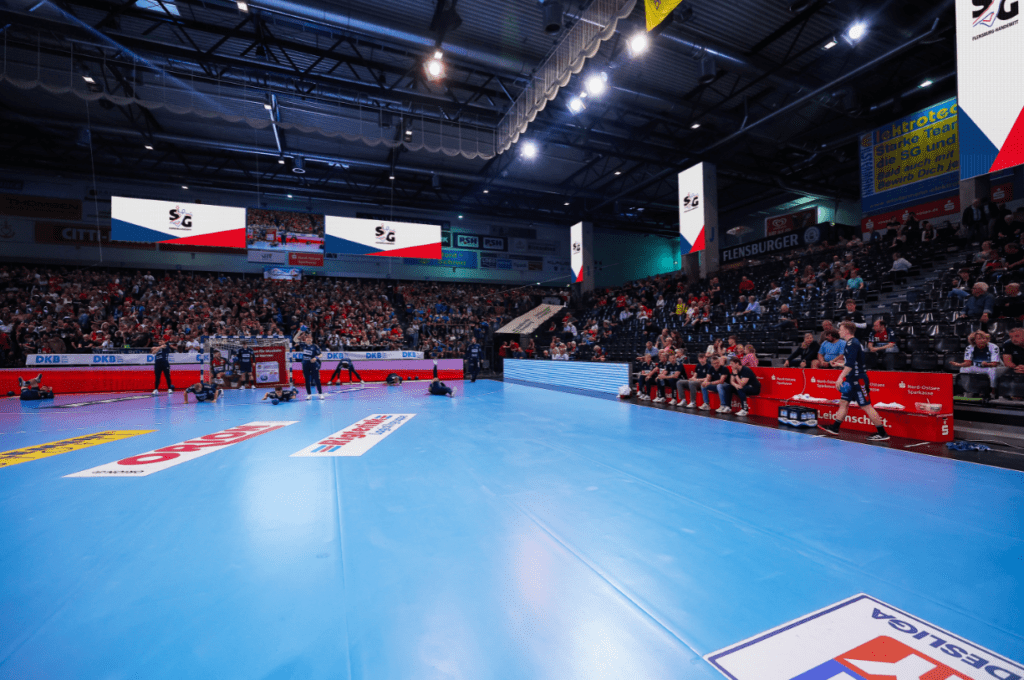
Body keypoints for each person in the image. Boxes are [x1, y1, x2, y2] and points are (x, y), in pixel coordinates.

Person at [818, 321, 889, 441]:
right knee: (843, 402)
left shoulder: (853, 343)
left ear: (846, 331)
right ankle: (835, 428)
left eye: (840, 329)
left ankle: (882, 433)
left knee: (866, 406)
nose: (839, 331)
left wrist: (840, 377)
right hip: (851, 379)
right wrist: (839, 364)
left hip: (858, 379)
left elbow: (850, 365)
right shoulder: (850, 343)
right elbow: (852, 362)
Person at [952, 330, 1002, 397]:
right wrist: (959, 364)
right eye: (979, 339)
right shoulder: (969, 348)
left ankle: (993, 391)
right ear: (974, 340)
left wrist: (987, 364)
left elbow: (995, 364)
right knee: (963, 369)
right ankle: (966, 389)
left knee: (993, 371)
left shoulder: (994, 347)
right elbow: (968, 363)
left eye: (984, 338)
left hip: (990, 367)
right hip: (977, 367)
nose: (982, 340)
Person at [294, 331, 324, 400]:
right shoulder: (303, 345)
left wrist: (315, 358)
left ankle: (320, 394)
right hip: (305, 365)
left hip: (313, 364)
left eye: (309, 338)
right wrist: (299, 332)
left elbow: (321, 355)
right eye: (307, 338)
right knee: (307, 380)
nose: (308, 340)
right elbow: (295, 340)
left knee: (317, 379)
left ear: (312, 339)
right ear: (305, 340)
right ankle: (309, 394)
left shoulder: (315, 346)